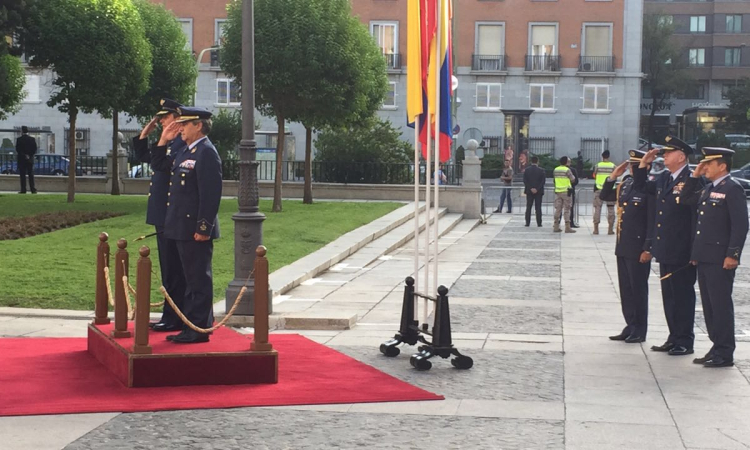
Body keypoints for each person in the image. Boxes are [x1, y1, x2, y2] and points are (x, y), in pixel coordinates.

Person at [153, 106, 222, 344]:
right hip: (180, 228)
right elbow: (161, 165)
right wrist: (163, 140)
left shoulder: (206, 152)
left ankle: (199, 328)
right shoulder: (186, 152)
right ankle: (189, 325)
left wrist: (203, 228)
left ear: (199, 126)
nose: (180, 128)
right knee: (188, 280)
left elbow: (210, 195)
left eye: (185, 124)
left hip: (194, 229)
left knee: (198, 279)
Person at [679, 147, 748, 368]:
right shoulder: (709, 188)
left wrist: (733, 255)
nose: (705, 166)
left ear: (722, 166)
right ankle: (716, 345)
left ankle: (725, 352)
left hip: (721, 259)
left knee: (720, 306)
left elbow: (740, 225)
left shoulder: (732, 189)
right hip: (705, 257)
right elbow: (686, 198)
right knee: (709, 306)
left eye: (709, 164)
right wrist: (694, 175)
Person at [634, 136, 701, 356]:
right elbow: (643, 187)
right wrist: (644, 165)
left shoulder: (693, 178)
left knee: (682, 296)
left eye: (669, 153)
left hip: (682, 249)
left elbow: (695, 217)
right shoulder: (664, 177)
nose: (664, 156)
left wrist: (694, 250)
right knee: (669, 296)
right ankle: (674, 337)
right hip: (666, 248)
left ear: (681, 156)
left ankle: (685, 340)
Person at [132, 99, 187, 332]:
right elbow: (147, 159)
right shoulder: (170, 144)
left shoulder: (180, 144)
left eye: (165, 118)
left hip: (171, 213)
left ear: (176, 118)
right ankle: (169, 314)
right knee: (168, 268)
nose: (161, 121)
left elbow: (160, 165)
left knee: (174, 269)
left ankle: (175, 316)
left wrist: (162, 141)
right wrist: (144, 136)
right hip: (162, 214)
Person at [601, 151, 655, 343]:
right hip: (623, 245)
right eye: (631, 165)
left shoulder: (648, 187)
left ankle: (640, 329)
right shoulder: (626, 184)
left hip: (638, 246)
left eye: (636, 165)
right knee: (626, 289)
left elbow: (652, 220)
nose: (632, 168)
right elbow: (605, 195)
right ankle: (630, 324)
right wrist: (613, 177)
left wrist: (648, 248)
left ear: (646, 166)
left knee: (638, 289)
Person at [593, 150, 616, 235]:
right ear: (609, 156)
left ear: (602, 156)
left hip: (599, 189)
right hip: (610, 190)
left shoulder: (597, 165)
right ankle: (610, 229)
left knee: (597, 209)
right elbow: (616, 175)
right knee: (611, 209)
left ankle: (596, 229)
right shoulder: (613, 166)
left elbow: (594, 175)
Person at [553, 156, 576, 233]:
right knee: (567, 209)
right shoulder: (567, 170)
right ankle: (567, 227)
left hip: (558, 191)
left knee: (558, 209)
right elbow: (572, 179)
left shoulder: (555, 169)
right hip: (566, 192)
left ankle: (556, 225)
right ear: (566, 162)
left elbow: (554, 180)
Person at [523, 155, 545, 227]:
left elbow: (525, 181)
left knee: (528, 207)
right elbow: (543, 182)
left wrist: (530, 188)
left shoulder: (527, 170)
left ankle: (527, 222)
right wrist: (537, 189)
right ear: (538, 161)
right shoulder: (541, 170)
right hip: (538, 192)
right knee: (538, 207)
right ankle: (539, 223)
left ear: (531, 161)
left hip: (529, 191)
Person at [15, 126, 37, 194]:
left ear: (22, 131)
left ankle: (23, 189)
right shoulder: (32, 139)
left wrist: (24, 155)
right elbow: (34, 149)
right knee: (31, 174)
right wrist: (29, 155)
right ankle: (33, 189)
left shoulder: (19, 139)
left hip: (22, 159)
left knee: (22, 175)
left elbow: (18, 149)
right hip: (30, 159)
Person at [568, 157, 580, 228]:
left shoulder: (557, 169)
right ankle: (570, 223)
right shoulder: (572, 170)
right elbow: (576, 181)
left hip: (559, 191)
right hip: (570, 191)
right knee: (570, 207)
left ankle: (557, 223)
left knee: (559, 208)